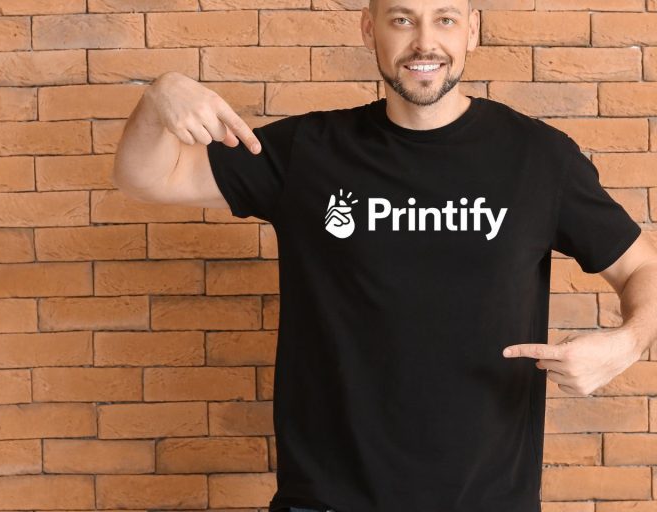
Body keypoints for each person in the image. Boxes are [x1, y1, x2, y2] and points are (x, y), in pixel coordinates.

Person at [112, 0, 657, 510]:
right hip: (325, 500)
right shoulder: (309, 151)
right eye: (402, 19)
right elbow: (147, 177)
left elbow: (643, 266)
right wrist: (157, 97)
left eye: (444, 19)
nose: (425, 42)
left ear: (472, 29)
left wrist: (628, 344)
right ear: (369, 30)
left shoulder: (537, 158)